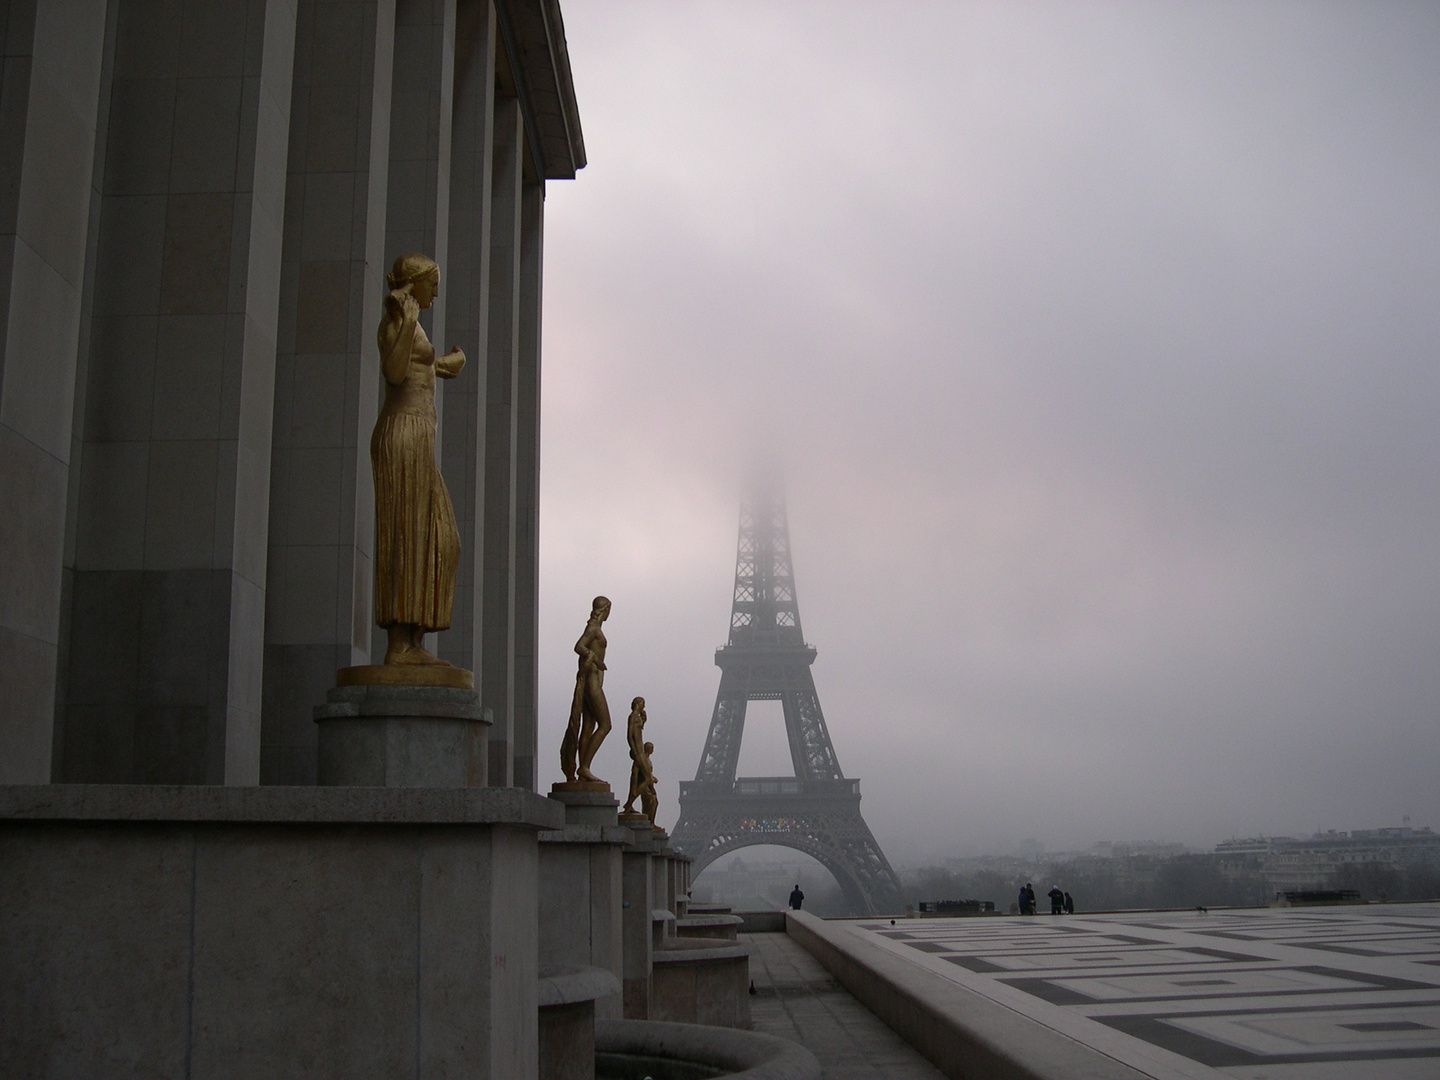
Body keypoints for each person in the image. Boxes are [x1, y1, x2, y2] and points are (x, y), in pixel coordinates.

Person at [372, 253, 466, 665]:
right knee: (406, 536)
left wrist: (447, 363)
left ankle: (414, 639)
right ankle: (399, 645)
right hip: (402, 432)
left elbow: (417, 368)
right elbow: (393, 371)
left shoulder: (411, 319)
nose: (437, 291)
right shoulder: (396, 315)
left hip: (418, 436)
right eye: (433, 283)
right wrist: (408, 321)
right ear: (416, 283)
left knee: (441, 540)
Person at [560, 596, 612, 782]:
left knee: (588, 726)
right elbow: (579, 646)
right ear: (605, 609)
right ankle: (584, 767)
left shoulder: (595, 628)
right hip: (592, 681)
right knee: (606, 724)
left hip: (595, 679)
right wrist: (595, 658)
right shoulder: (593, 629)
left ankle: (584, 770)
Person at [621, 697, 648, 813]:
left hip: (640, 751)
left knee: (635, 779)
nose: (644, 706)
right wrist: (635, 751)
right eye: (643, 703)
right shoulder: (632, 716)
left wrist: (644, 720)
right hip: (639, 752)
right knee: (647, 779)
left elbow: (638, 730)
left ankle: (629, 804)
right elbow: (629, 735)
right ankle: (629, 802)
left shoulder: (637, 717)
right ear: (637, 703)